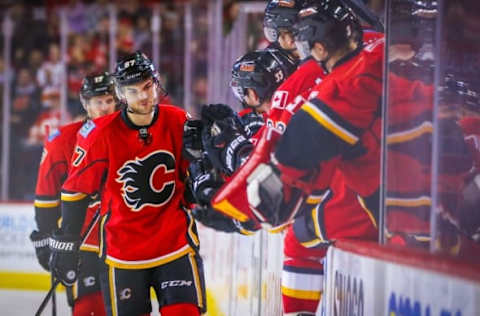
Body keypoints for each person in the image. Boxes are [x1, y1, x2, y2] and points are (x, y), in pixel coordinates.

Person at [48, 51, 206, 316]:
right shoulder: (100, 134)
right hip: (123, 255)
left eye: (147, 87)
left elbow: (196, 180)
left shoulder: (180, 121)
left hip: (175, 246)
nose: (143, 96)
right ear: (121, 94)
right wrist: (68, 242)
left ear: (157, 82)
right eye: (133, 91)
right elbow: (75, 191)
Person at [30, 72, 117, 315]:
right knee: (89, 307)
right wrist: (47, 239)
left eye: (110, 101)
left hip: (121, 239)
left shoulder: (131, 135)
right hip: (82, 242)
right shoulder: (62, 141)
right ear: (85, 104)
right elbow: (46, 197)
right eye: (98, 102)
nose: (105, 108)